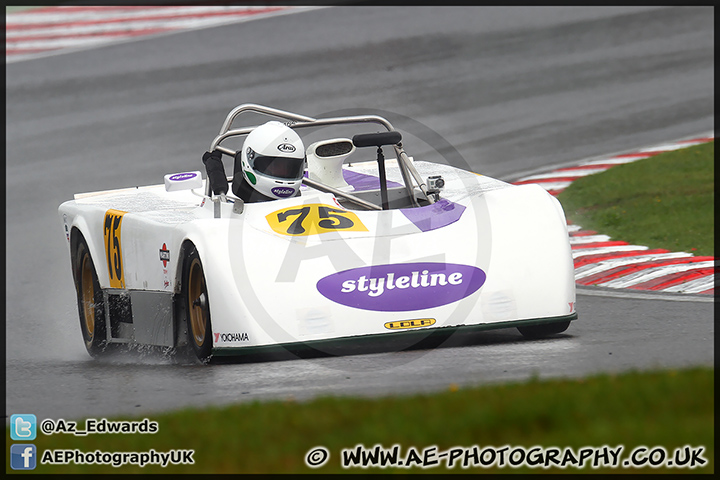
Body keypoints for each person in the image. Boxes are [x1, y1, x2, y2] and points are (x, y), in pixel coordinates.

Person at [202, 121, 306, 203]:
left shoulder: (317, 195)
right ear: (249, 158)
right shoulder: (227, 210)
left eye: (290, 168)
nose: (283, 172)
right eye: (274, 166)